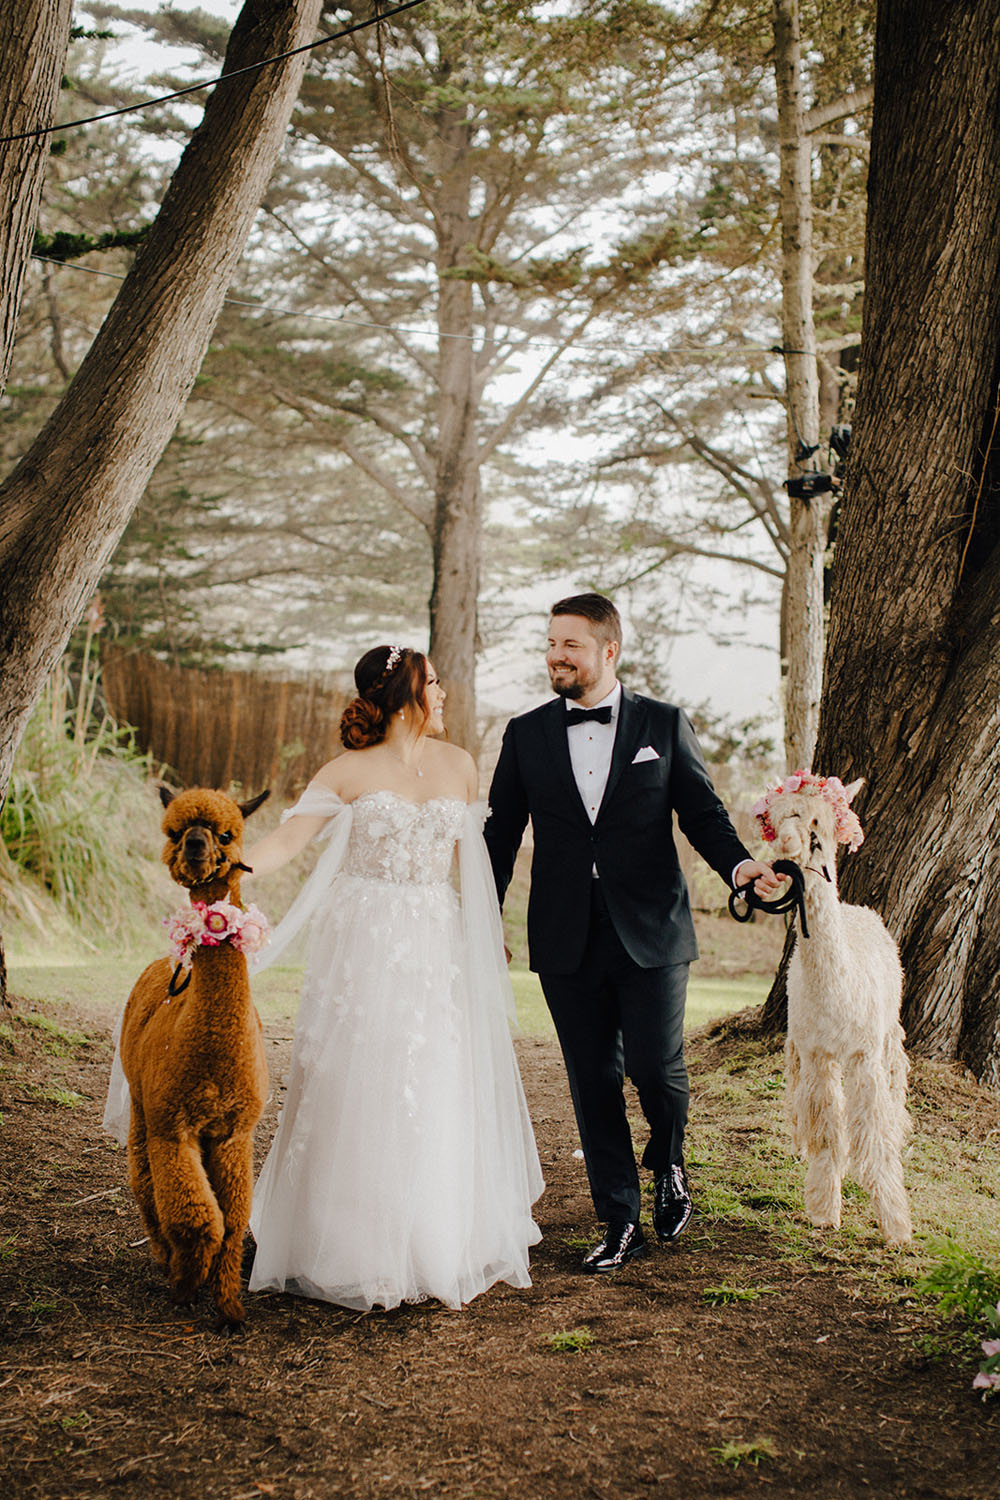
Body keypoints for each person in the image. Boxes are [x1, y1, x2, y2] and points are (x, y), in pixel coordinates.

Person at [483, 594, 779, 1274]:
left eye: (571, 645)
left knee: (654, 1066)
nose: (556, 654)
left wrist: (739, 869)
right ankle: (621, 1220)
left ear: (608, 651)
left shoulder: (664, 725)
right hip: (563, 936)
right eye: (551, 642)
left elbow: (702, 815)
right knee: (592, 1080)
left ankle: (669, 1162)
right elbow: (500, 835)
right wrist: (482, 917)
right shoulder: (524, 734)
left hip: (651, 927)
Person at [243, 645, 543, 1312]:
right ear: (407, 694)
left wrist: (486, 934)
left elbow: (472, 864)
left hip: (435, 941)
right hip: (363, 941)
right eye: (434, 684)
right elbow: (288, 842)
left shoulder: (460, 765)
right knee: (357, 1079)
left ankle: (429, 1239)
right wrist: (227, 873)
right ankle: (344, 1243)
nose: (444, 695)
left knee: (433, 1076)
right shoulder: (346, 771)